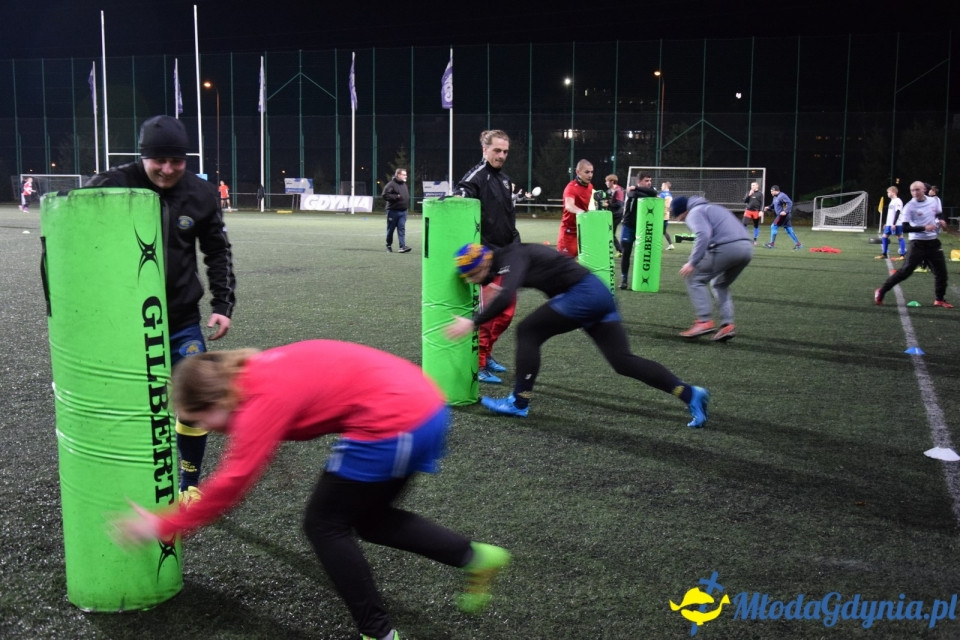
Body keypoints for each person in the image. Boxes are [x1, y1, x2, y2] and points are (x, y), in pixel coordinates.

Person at [111, 340, 511, 640]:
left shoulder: (258, 402)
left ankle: (379, 634)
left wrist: (165, 524)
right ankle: (475, 557)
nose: (205, 428)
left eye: (201, 419)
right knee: (369, 519)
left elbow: (234, 481)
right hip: (420, 406)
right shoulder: (249, 374)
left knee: (325, 524)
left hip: (397, 420)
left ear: (217, 399)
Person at [85, 115, 236, 504]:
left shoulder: (200, 194)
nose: (167, 170)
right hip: (123, 324)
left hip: (182, 320)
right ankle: (126, 480)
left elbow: (217, 252)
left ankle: (189, 484)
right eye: (158, 161)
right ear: (143, 157)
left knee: (197, 401)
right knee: (128, 405)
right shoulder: (110, 185)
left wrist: (222, 304)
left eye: (177, 161)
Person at [446, 243, 710, 427]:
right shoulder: (508, 258)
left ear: (485, 261)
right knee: (622, 361)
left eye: (472, 274)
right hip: (598, 294)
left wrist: (473, 322)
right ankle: (689, 393)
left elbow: (507, 294)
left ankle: (519, 401)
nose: (472, 281)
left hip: (582, 294)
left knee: (528, 331)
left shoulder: (511, 257)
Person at [455, 130, 522, 383]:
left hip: (507, 255)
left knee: (506, 314)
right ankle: (480, 363)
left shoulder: (504, 180)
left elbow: (508, 218)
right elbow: (462, 193)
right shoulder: (477, 176)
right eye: (497, 150)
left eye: (505, 151)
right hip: (486, 259)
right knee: (490, 314)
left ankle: (487, 352)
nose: (502, 155)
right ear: (485, 150)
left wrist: (516, 246)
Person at [671, 196, 754, 341]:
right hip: (746, 248)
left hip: (727, 247)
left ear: (683, 211)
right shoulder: (714, 207)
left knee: (694, 278)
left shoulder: (694, 212)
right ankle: (727, 325)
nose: (682, 221)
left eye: (680, 218)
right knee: (719, 284)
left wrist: (692, 262)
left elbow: (703, 235)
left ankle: (704, 321)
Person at [874, 181, 952, 308]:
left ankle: (939, 299)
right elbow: (905, 228)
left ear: (924, 190)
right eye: (912, 190)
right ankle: (881, 291)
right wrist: (924, 228)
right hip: (918, 244)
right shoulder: (909, 206)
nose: (914, 192)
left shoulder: (933, 201)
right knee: (905, 272)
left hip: (933, 243)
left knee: (942, 273)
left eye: (917, 190)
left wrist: (942, 220)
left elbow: (938, 213)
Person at [619, 172, 659, 289]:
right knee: (626, 253)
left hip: (643, 228)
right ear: (639, 181)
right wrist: (644, 194)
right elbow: (633, 195)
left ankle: (642, 279)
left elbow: (654, 193)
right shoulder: (631, 190)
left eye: (650, 180)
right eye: (646, 181)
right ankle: (624, 279)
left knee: (643, 254)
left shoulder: (638, 188)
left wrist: (637, 189)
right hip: (628, 226)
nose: (649, 183)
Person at [557, 159, 594, 257]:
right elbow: (569, 206)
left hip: (583, 231)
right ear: (578, 172)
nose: (590, 175)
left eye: (591, 172)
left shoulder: (590, 186)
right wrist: (584, 214)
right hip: (568, 233)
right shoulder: (571, 187)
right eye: (587, 172)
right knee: (564, 268)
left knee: (586, 265)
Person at [382, 168, 412, 253]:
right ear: (398, 175)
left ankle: (402, 247)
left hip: (403, 212)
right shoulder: (391, 184)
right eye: (404, 174)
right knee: (390, 230)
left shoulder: (404, 184)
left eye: (406, 174)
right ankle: (388, 245)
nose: (406, 176)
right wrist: (396, 196)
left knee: (401, 229)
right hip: (393, 211)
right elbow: (385, 195)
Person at [762, 185, 802, 250]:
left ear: (775, 190)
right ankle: (798, 244)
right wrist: (768, 207)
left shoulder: (782, 195)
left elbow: (790, 203)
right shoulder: (775, 197)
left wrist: (785, 211)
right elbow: (773, 205)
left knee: (773, 226)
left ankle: (771, 244)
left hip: (783, 215)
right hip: (785, 216)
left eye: (772, 191)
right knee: (789, 230)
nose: (771, 192)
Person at [876, 186, 905, 261]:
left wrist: (894, 224)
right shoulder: (892, 201)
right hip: (889, 224)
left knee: (900, 237)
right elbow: (891, 214)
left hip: (897, 223)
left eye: (888, 192)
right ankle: (884, 254)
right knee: (884, 237)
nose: (887, 193)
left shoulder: (898, 201)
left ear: (893, 192)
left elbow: (898, 212)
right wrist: (887, 223)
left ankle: (902, 255)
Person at [604, 174, 625, 255]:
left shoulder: (618, 190)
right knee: (610, 232)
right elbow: (610, 200)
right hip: (612, 214)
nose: (606, 183)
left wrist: (608, 204)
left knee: (610, 232)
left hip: (617, 214)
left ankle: (620, 250)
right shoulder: (610, 191)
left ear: (612, 182)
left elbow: (619, 204)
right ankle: (619, 250)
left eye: (607, 181)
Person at [742, 182, 763, 246]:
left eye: (753, 185)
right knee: (743, 224)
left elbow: (762, 203)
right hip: (748, 211)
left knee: (756, 225)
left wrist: (761, 211)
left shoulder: (760, 194)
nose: (752, 186)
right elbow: (744, 201)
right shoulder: (749, 192)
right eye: (751, 185)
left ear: (757, 186)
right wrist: (749, 195)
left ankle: (755, 240)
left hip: (756, 212)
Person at [658, 181, 675, 250]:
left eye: (662, 185)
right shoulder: (670, 195)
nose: (661, 187)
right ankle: (671, 244)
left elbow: (657, 202)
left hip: (661, 215)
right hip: (667, 215)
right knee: (663, 231)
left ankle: (656, 245)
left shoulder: (662, 194)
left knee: (657, 230)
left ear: (665, 186)